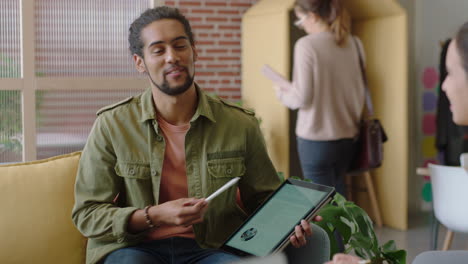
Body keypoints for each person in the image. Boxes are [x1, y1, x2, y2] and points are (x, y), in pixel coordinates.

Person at [72, 6, 317, 264]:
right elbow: (87, 214)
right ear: (139, 63)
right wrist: (154, 215)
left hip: (212, 249)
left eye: (180, 46)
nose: (172, 57)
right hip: (136, 248)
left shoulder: (239, 123)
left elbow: (263, 199)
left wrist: (288, 223)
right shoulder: (112, 125)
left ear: (194, 51)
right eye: (158, 50)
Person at [270, 0, 365, 196]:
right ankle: (345, 229)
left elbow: (301, 98)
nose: (301, 25)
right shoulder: (354, 43)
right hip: (348, 138)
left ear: (312, 16)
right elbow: (358, 90)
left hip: (316, 141)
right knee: (339, 202)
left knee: (321, 205)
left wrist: (281, 92)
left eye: (300, 20)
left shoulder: (306, 45)